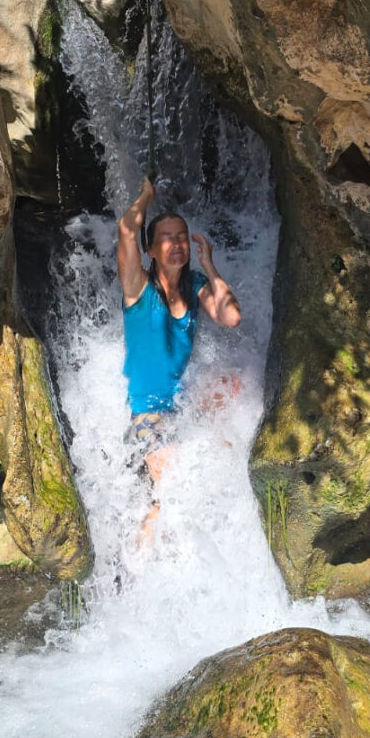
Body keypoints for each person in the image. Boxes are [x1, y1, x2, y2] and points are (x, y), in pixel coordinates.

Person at [117, 177, 241, 534]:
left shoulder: (197, 284)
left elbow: (231, 317)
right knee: (173, 491)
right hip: (147, 417)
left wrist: (210, 265)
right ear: (151, 250)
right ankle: (137, 571)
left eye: (182, 237)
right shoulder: (137, 288)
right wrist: (146, 196)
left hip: (180, 410)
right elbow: (127, 232)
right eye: (168, 238)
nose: (177, 244)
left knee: (235, 383)